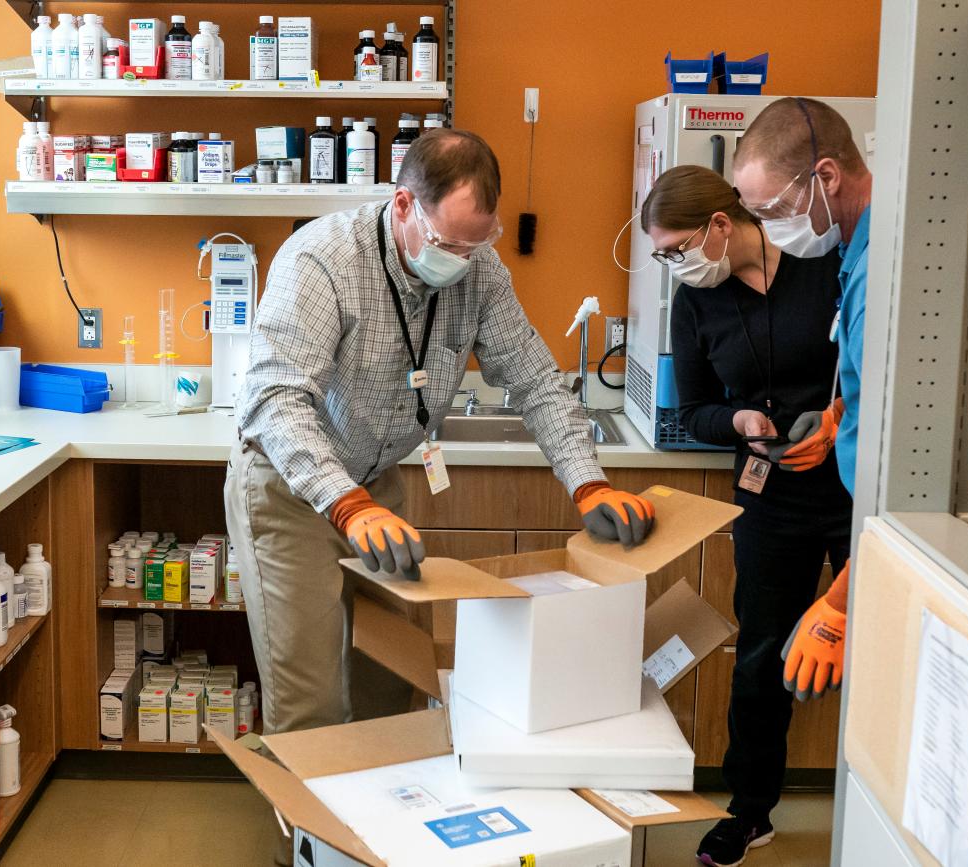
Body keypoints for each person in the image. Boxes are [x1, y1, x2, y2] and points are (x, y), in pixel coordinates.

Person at [224, 129, 656, 739]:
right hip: (291, 490)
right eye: (447, 242)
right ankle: (313, 833)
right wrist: (346, 506)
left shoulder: (478, 267)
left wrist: (589, 485)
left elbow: (534, 377)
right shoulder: (320, 261)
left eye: (477, 243)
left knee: (393, 674)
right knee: (312, 701)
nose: (460, 260)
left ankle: (384, 824)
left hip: (375, 485)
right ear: (403, 205)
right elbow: (276, 398)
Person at [732, 98, 968, 706]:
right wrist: (844, 416)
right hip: (948, 531)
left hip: (940, 543)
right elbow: (923, 395)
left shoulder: (893, 275)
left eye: (772, 209)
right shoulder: (890, 249)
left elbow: (909, 483)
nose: (768, 228)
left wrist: (839, 605)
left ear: (826, 177)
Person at [641, 165, 852, 866]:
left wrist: (835, 417)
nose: (673, 265)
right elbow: (690, 408)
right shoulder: (697, 302)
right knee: (761, 656)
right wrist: (738, 418)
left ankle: (877, 803)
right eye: (663, 254)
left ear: (721, 227)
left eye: (676, 248)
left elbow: (878, 368)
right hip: (771, 498)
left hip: (856, 488)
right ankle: (749, 809)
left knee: (877, 646)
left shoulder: (828, 266)